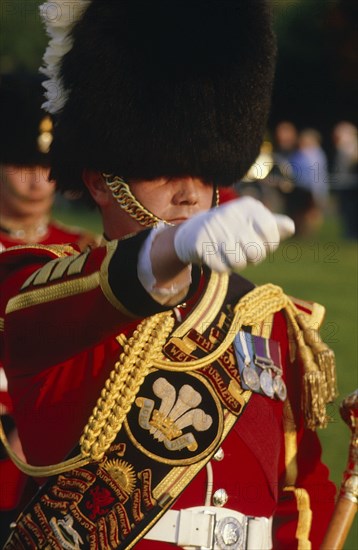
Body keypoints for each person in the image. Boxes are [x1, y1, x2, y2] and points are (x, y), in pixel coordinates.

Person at [0, 2, 337, 549]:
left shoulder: (273, 322)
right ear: (102, 182)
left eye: (203, 170)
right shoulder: (40, 287)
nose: (188, 192)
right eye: (162, 169)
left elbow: (298, 491)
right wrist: (168, 247)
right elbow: (68, 301)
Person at [0, 72, 99, 546]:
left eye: (46, 166)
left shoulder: (84, 251)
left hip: (55, 457)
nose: (38, 179)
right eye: (21, 165)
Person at [330, 121, 358, 240]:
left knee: (350, 210)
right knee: (347, 211)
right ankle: (350, 233)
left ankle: (352, 233)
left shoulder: (348, 146)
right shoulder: (344, 146)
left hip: (350, 184)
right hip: (346, 183)